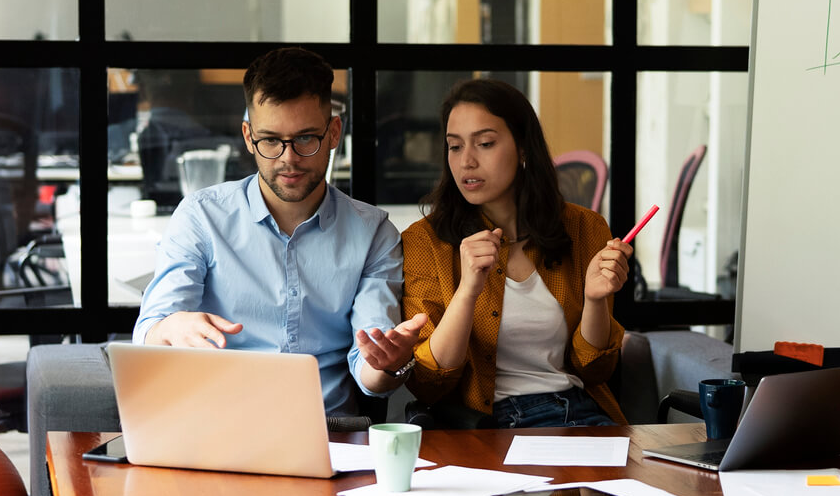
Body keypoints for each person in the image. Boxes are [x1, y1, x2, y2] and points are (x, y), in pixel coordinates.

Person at [133, 47, 425, 412]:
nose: (288, 158)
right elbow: (149, 332)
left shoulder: (373, 234)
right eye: (270, 140)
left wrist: (390, 365)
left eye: (305, 138)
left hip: (328, 434)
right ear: (248, 136)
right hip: (218, 427)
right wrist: (170, 327)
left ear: (333, 132)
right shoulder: (201, 217)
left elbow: (371, 373)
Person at [401, 78, 632, 428]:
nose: (467, 162)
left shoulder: (585, 228)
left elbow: (596, 369)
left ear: (523, 148)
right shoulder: (425, 241)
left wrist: (595, 301)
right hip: (493, 427)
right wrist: (467, 291)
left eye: (485, 143)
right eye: (454, 147)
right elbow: (429, 383)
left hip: (581, 415)